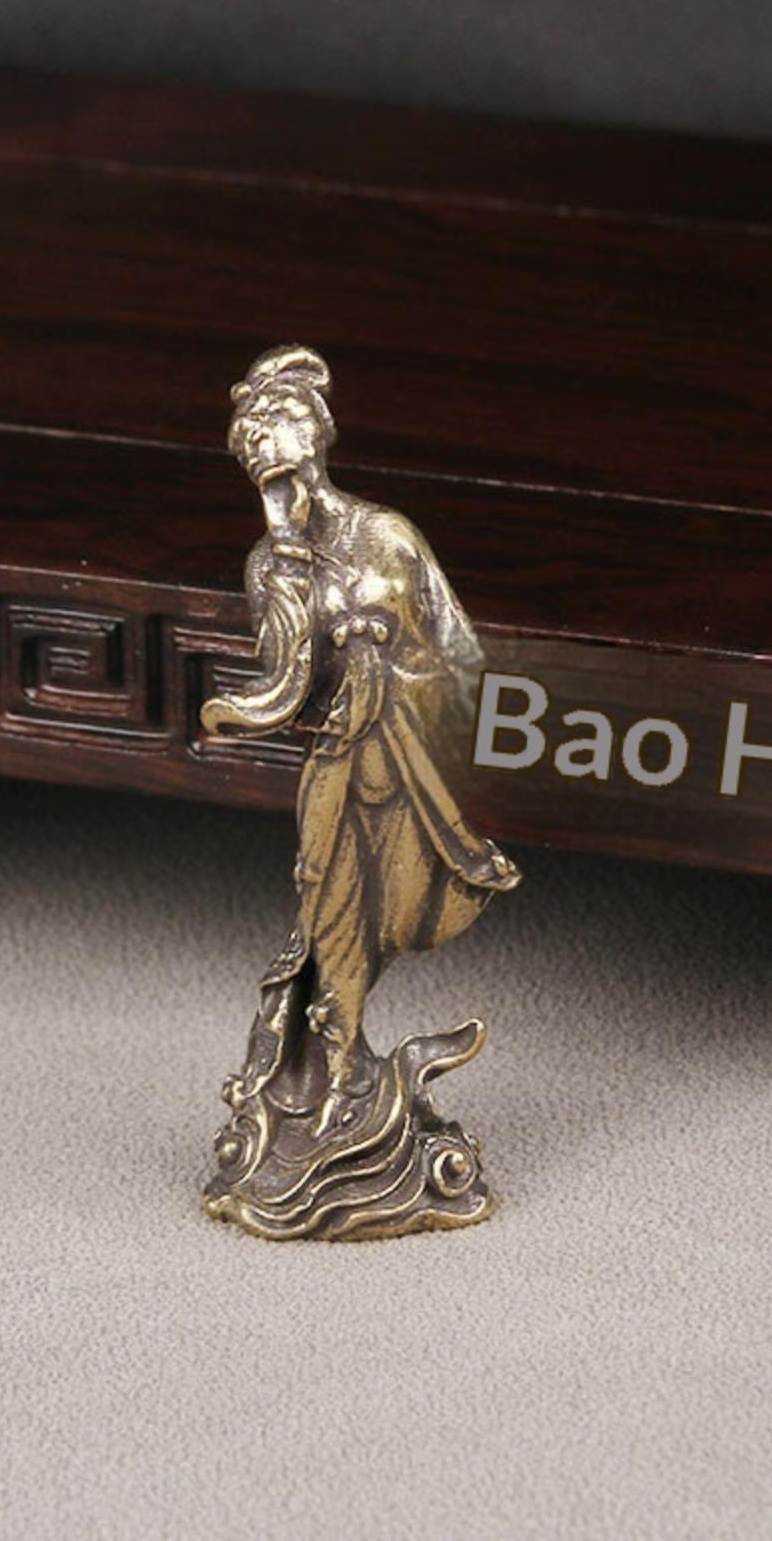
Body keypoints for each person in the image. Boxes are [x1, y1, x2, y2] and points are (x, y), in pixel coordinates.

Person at [204, 345, 521, 1140]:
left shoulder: (387, 535)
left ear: (313, 437)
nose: (261, 457)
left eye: (271, 435)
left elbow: (460, 652)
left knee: (390, 909)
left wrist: (408, 680)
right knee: (327, 908)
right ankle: (333, 1072)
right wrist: (287, 566)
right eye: (249, 450)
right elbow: (290, 686)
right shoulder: (268, 566)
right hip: (340, 761)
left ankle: (346, 1077)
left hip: (409, 760)